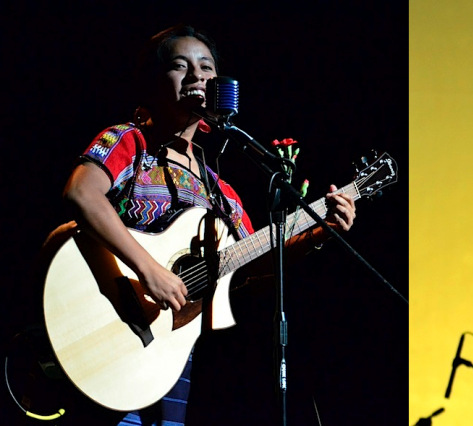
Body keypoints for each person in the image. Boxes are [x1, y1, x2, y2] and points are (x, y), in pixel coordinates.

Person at [57, 24, 356, 425]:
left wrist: (320, 232)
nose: (198, 74)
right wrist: (150, 271)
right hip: (105, 327)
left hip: (170, 357)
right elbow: (81, 194)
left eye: (207, 67)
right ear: (155, 83)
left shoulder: (220, 191)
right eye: (181, 66)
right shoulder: (131, 142)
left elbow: (251, 261)